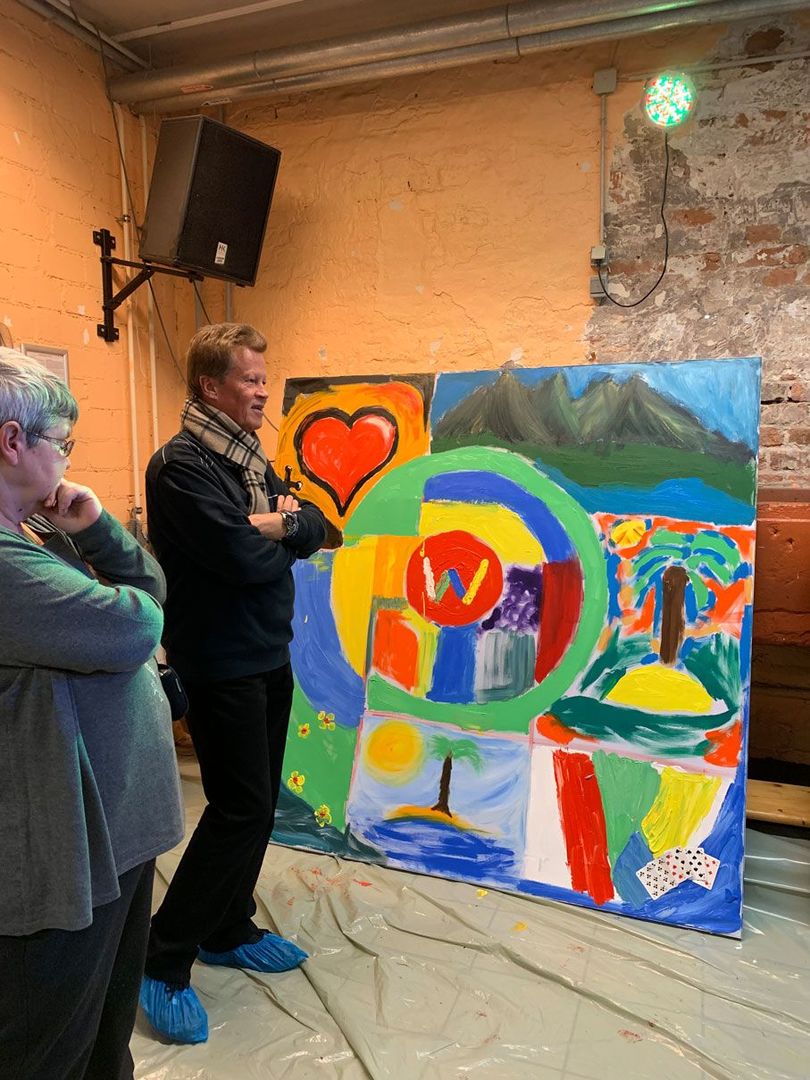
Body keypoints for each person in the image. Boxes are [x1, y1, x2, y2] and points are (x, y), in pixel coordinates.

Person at [140, 323, 326, 1044]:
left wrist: (276, 525)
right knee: (238, 809)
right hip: (219, 662)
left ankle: (228, 927)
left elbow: (319, 529)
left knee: (260, 802)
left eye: (264, 378)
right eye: (249, 379)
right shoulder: (178, 466)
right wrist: (280, 531)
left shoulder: (250, 460)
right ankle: (163, 957)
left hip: (268, 653)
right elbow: (243, 560)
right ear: (209, 385)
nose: (262, 392)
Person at [0, 350, 183, 1080]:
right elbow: (136, 625)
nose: (68, 459)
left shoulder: (34, 534)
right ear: (13, 441)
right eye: (63, 443)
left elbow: (148, 584)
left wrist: (97, 529)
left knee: (106, 1036)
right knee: (51, 1046)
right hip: (60, 851)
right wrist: (132, 605)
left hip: (113, 833)